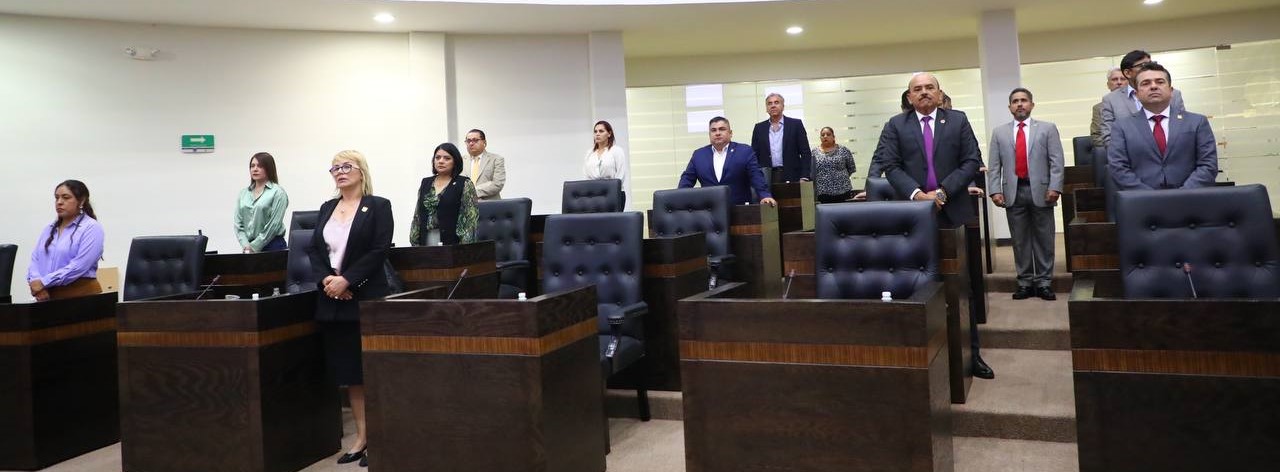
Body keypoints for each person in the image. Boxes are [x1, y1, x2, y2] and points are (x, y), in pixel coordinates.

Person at [874, 72, 991, 379]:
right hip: (912, 217)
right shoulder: (895, 125)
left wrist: (942, 193)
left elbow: (971, 161)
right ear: (909, 97)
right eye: (918, 89)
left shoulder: (957, 120)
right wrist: (918, 195)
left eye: (930, 87)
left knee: (962, 288)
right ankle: (919, 357)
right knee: (917, 286)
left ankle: (971, 356)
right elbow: (890, 165)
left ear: (939, 94)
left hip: (953, 213)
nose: (924, 92)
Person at [309, 150, 394, 468]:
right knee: (352, 374)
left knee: (373, 370)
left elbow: (379, 250)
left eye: (347, 166)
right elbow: (314, 250)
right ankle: (362, 437)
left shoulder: (378, 206)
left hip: (366, 298)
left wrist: (348, 280)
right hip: (333, 299)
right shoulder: (327, 208)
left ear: (361, 171)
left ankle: (384, 438)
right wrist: (327, 281)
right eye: (335, 168)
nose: (340, 172)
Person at [987, 88, 1065, 301]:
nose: (1020, 104)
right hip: (1013, 192)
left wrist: (1055, 187)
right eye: (1015, 101)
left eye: (1024, 100)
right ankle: (1025, 282)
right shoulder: (999, 133)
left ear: (1032, 104)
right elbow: (994, 166)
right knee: (1020, 240)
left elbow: (1057, 161)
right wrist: (995, 190)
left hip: (1042, 191)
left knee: (1044, 239)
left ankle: (1044, 283)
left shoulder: (1047, 129)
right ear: (1010, 107)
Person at [1108, 62, 1218, 190]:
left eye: (1160, 82)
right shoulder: (1122, 127)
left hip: (1190, 198)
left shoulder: (1197, 122)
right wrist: (1149, 197)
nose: (1153, 86)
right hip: (1142, 200)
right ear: (1136, 94)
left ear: (1171, 91)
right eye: (1146, 83)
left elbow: (1208, 165)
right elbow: (1118, 168)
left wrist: (1183, 195)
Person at [27, 180, 104, 301]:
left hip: (81, 296)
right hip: (46, 295)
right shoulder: (49, 229)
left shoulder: (91, 227)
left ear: (81, 201)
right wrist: (36, 283)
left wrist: (44, 282)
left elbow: (80, 266)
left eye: (66, 197)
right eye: (56, 198)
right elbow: (35, 259)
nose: (59, 202)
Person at [679, 116, 777, 207]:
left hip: (739, 209)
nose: (717, 133)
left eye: (722, 129)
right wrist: (678, 199)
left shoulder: (744, 151)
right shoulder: (699, 155)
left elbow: (756, 176)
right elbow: (687, 179)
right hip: (709, 211)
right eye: (713, 130)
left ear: (730, 133)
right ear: (709, 135)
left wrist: (765, 196)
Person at [1099, 50, 1186, 147]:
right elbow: (1109, 137)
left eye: (1151, 63)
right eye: (1143, 65)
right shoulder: (1111, 100)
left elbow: (1184, 127)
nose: (1149, 68)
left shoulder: (1173, 94)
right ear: (1128, 73)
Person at [410, 143, 479, 246]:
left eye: (447, 158)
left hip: (453, 243)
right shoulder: (426, 182)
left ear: (455, 162)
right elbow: (417, 215)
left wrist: (464, 248)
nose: (441, 161)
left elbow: (470, 219)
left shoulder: (464, 183)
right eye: (437, 158)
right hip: (426, 240)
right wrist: (414, 242)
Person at [233, 152, 289, 253]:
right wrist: (246, 246)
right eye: (252, 166)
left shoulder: (278, 193)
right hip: (248, 247)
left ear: (269, 168)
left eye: (260, 166)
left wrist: (254, 247)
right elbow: (238, 224)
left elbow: (274, 225)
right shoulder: (243, 193)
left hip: (273, 245)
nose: (255, 169)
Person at [750, 93, 812, 184]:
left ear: (783, 106)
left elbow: (805, 153)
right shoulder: (759, 128)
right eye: (769, 103)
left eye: (776, 102)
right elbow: (754, 155)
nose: (773, 105)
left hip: (793, 176)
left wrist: (805, 176)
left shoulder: (796, 124)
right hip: (766, 177)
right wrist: (756, 178)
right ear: (766, 108)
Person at [583, 120, 631, 208]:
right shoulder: (589, 153)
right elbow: (586, 175)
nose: (597, 134)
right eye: (595, 131)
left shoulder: (616, 151)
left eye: (601, 131)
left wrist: (613, 189)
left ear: (609, 134)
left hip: (614, 193)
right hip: (595, 195)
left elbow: (620, 174)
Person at [810, 127, 857, 203]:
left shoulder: (843, 150)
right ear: (820, 138)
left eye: (828, 134)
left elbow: (851, 168)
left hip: (843, 191)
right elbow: (812, 171)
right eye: (823, 135)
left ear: (833, 137)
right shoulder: (814, 152)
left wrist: (839, 177)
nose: (825, 136)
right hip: (822, 193)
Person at [462, 129, 506, 201]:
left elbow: (497, 184)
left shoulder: (496, 159)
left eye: (475, 140)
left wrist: (471, 191)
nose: (471, 143)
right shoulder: (460, 161)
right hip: (466, 204)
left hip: (490, 204)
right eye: (468, 141)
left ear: (484, 142)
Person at [1090, 68, 1128, 147]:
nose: (1119, 82)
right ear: (1108, 85)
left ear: (1128, 83)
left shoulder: (1138, 102)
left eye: (1123, 79)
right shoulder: (1098, 108)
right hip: (1113, 149)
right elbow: (1096, 137)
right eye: (1114, 79)